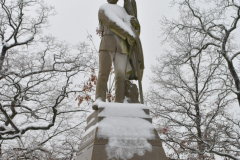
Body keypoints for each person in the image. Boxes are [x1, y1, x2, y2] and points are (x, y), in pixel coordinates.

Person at [94, 0, 140, 108]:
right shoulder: (104, 8)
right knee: (103, 73)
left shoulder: (124, 11)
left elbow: (134, 32)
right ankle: (99, 99)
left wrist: (136, 25)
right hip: (107, 45)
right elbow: (112, 23)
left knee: (121, 77)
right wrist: (128, 34)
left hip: (122, 48)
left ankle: (119, 103)